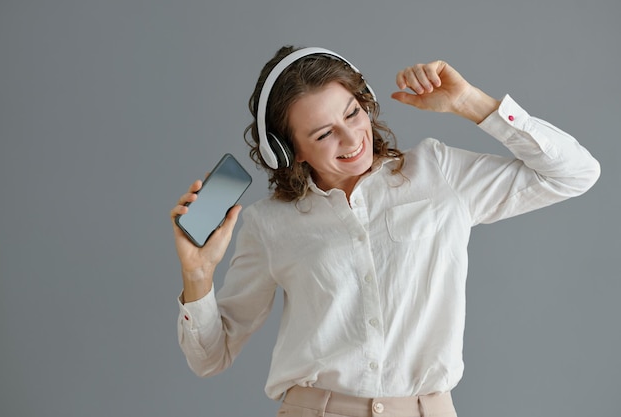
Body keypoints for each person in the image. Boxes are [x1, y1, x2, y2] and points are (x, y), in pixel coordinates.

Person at [170, 45, 600, 417]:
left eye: (352, 113)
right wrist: (198, 276)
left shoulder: (438, 172)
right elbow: (211, 358)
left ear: (366, 102)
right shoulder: (269, 224)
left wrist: (469, 102)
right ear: (289, 152)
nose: (351, 137)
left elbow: (575, 174)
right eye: (323, 134)